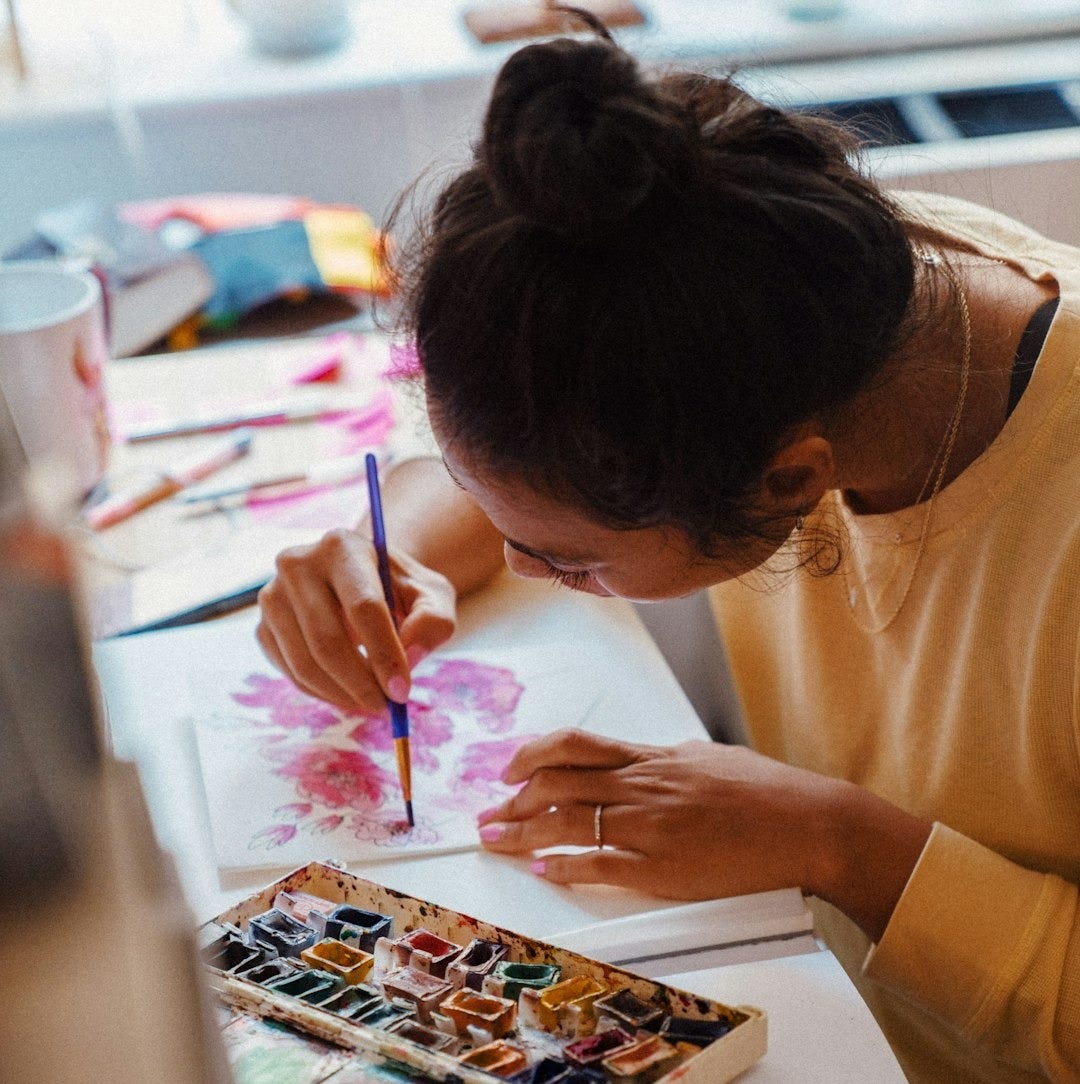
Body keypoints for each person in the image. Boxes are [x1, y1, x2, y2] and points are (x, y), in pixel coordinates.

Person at [256, 21, 1079, 1082]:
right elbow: (536, 445)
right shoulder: (792, 290)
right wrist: (394, 544)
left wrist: (842, 844)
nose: (521, 566)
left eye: (569, 560)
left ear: (787, 480)